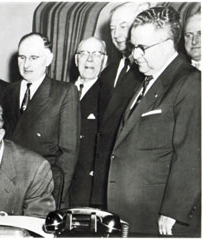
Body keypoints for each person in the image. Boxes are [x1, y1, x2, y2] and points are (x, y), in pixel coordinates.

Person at [107, 7, 201, 236]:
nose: (135, 55)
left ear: (168, 44)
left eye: (142, 48)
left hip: (160, 219)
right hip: (131, 214)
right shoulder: (147, 79)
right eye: (133, 47)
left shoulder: (190, 83)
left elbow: (191, 153)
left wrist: (173, 211)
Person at [2, 33, 80, 208]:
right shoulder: (8, 91)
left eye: (33, 58)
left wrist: (57, 198)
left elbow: (69, 154)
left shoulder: (64, 93)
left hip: (45, 189)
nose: (26, 64)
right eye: (22, 57)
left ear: (48, 59)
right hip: (9, 187)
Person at [90, 2, 148, 209]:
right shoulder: (107, 72)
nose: (116, 34)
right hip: (104, 179)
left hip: (132, 182)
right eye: (112, 29)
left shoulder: (148, 72)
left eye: (123, 26)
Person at [69, 37, 107, 208]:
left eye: (96, 54)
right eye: (84, 54)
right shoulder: (62, 91)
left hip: (86, 184)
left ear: (104, 61)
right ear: (77, 59)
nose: (90, 59)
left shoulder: (108, 96)